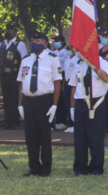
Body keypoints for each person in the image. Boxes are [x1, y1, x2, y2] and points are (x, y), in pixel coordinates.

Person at [17, 32, 61, 177]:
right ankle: (34, 167)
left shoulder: (52, 59)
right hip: (29, 100)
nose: (34, 43)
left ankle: (46, 167)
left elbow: (57, 82)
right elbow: (22, 82)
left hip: (44, 100)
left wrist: (54, 105)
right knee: (30, 136)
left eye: (38, 40)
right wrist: (20, 104)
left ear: (45, 43)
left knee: (44, 135)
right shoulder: (26, 60)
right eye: (33, 40)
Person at [68, 52, 108, 175]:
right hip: (80, 103)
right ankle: (80, 168)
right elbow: (73, 86)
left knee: (96, 138)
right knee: (80, 138)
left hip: (97, 103)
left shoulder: (104, 62)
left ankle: (96, 168)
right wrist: (72, 108)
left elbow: (107, 78)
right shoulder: (79, 64)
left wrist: (93, 65)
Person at [2, 24, 28, 129]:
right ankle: (7, 121)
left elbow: (25, 59)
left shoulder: (19, 44)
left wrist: (23, 76)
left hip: (15, 75)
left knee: (14, 98)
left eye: (10, 30)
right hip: (4, 75)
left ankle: (15, 122)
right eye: (7, 30)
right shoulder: (2, 44)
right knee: (6, 99)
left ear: (15, 32)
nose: (8, 31)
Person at [50, 34, 71, 130]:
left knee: (62, 99)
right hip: (54, 75)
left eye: (58, 40)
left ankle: (63, 120)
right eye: (55, 41)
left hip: (63, 74)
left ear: (62, 42)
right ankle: (56, 120)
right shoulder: (53, 52)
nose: (56, 42)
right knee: (55, 98)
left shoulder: (65, 52)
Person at [62, 49, 81, 133]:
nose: (69, 50)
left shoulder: (77, 60)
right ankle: (69, 124)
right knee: (67, 103)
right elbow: (65, 73)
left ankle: (74, 124)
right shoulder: (67, 60)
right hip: (66, 81)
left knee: (73, 103)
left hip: (74, 82)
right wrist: (63, 83)